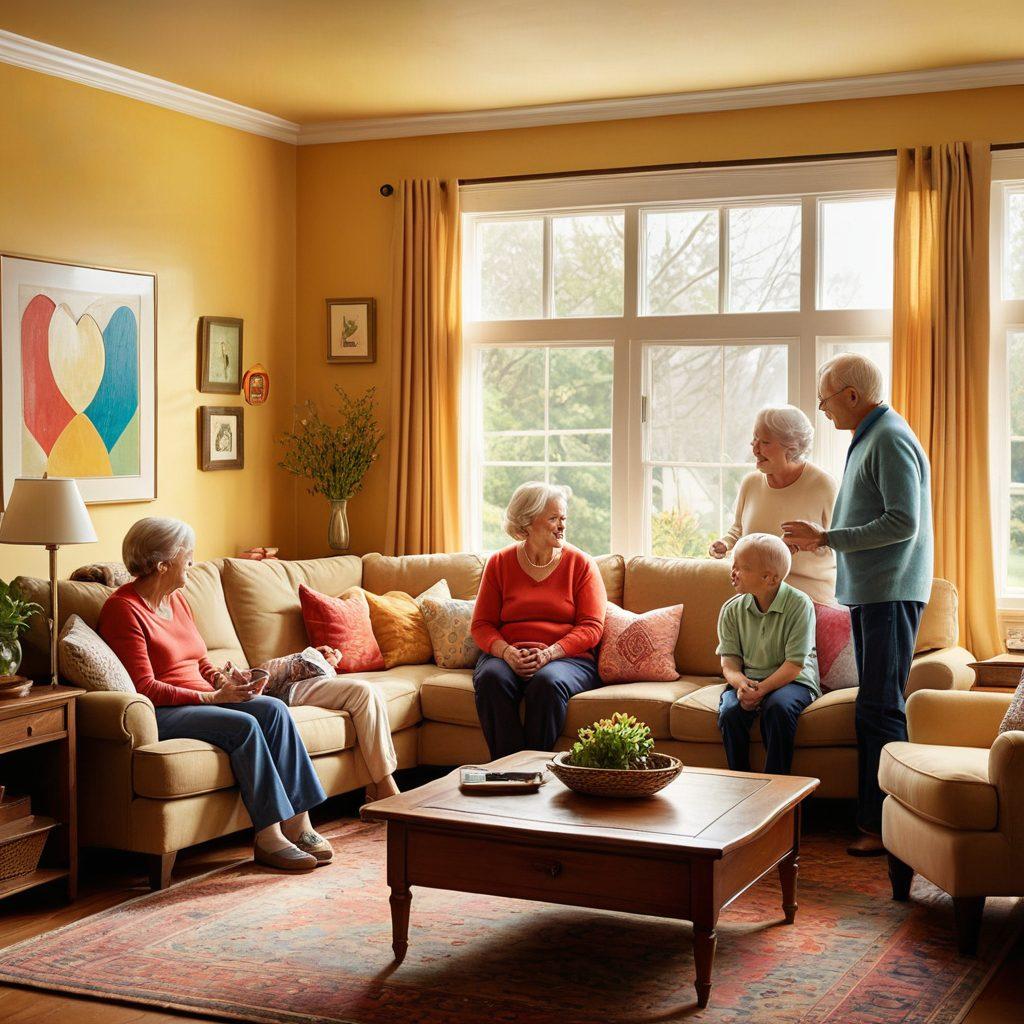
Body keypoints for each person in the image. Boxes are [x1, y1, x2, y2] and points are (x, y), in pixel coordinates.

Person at [99, 517, 329, 872]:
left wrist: (226, 680)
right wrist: (212, 698)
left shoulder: (177, 601)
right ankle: (268, 837)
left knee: (273, 710)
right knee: (244, 727)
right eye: (187, 555)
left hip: (202, 699)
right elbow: (145, 687)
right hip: (163, 711)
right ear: (162, 564)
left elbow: (200, 659)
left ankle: (299, 825)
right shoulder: (123, 609)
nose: (192, 562)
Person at [782, 353, 932, 857]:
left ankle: (886, 826)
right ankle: (877, 822)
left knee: (881, 708)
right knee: (873, 707)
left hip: (890, 592)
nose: (822, 409)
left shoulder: (888, 437)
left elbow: (903, 521)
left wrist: (828, 536)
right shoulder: (871, 436)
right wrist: (827, 539)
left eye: (825, 399)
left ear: (852, 395)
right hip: (875, 592)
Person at [471, 482, 607, 759]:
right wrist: (507, 653)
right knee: (491, 678)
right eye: (553, 518)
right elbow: (481, 625)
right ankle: (507, 768)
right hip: (509, 654)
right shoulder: (499, 563)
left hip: (567, 659)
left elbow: (592, 627)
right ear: (527, 522)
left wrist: (550, 653)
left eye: (563, 518)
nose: (562, 526)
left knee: (547, 682)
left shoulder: (581, 564)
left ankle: (533, 767)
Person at [709, 405, 838, 605]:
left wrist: (805, 544)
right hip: (757, 599)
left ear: (792, 448)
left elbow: (839, 543)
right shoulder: (750, 483)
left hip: (809, 600)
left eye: (765, 442)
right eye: (755, 439)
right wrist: (725, 544)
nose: (755, 448)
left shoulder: (823, 485)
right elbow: (739, 530)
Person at [716, 533, 820, 776]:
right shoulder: (731, 609)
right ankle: (740, 782)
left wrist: (761, 690)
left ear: (770, 578)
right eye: (733, 566)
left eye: (741, 568)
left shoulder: (799, 605)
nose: (733, 573)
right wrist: (742, 684)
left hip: (794, 681)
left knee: (778, 708)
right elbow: (729, 663)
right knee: (730, 712)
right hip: (749, 680)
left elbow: (794, 664)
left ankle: (776, 784)